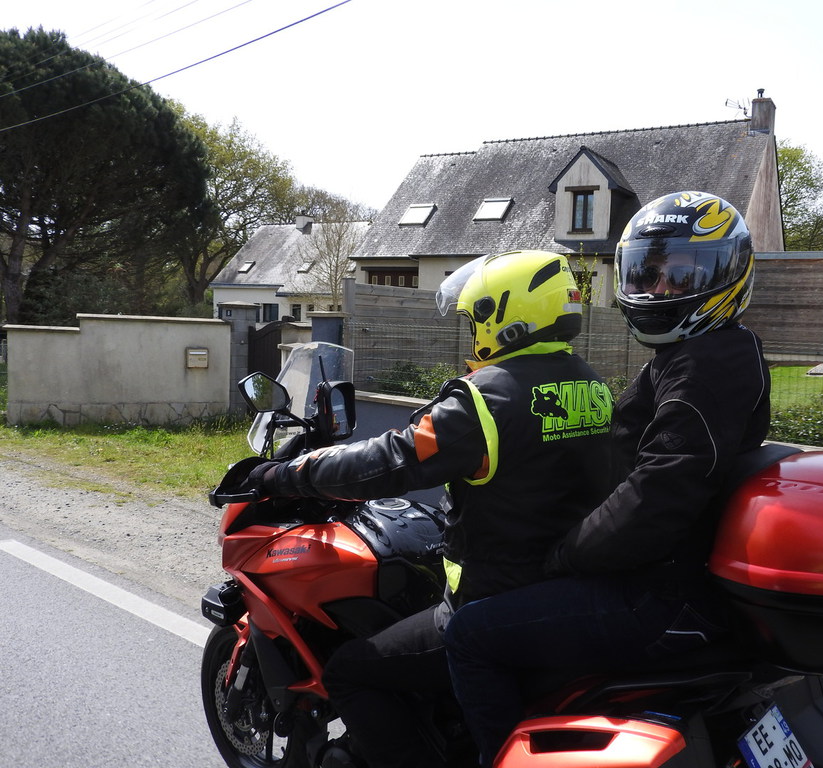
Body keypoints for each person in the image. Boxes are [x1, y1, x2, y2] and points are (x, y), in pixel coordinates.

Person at [241, 250, 614, 768]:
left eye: (477, 318)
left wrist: (286, 474)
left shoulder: (485, 401)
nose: (473, 331)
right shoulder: (591, 384)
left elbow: (388, 460)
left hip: (491, 601)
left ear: (506, 317)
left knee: (350, 672)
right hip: (562, 593)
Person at [443, 191, 772, 767]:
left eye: (680, 275)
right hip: (676, 578)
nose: (660, 290)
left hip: (658, 595)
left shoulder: (705, 362)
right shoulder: (706, 351)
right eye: (648, 274)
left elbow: (659, 491)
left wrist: (564, 555)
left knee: (470, 635)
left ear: (728, 275)